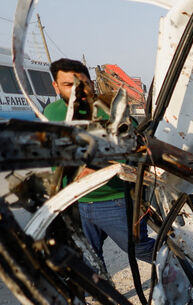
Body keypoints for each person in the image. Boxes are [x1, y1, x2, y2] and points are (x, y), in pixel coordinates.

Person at [44, 58, 154, 267]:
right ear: (55, 86)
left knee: (140, 249)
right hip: (75, 202)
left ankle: (185, 265)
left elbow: (135, 148)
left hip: (114, 200)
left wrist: (97, 166)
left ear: (91, 83)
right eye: (68, 85)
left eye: (83, 84)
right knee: (89, 259)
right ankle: (98, 288)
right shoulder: (51, 112)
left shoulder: (109, 109)